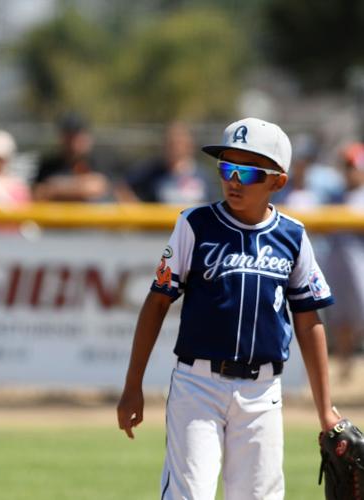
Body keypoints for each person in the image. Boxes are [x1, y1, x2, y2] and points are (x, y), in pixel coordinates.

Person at [117, 117, 340, 499]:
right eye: (226, 168)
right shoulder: (196, 224)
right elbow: (156, 304)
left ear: (278, 181)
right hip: (197, 386)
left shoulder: (292, 236)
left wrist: (326, 409)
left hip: (263, 391)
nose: (234, 180)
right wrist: (132, 385)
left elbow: (308, 320)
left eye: (248, 171)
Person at [322, 142, 364, 379]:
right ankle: (345, 366)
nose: (350, 171)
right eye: (347, 166)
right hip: (338, 257)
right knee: (340, 317)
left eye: (353, 166)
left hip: (360, 258)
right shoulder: (335, 196)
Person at [119, 121, 216, 204]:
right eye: (171, 143)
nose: (175, 148)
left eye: (180, 143)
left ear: (190, 145)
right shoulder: (151, 171)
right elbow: (123, 187)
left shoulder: (203, 175)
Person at [32, 112, 113, 201]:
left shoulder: (100, 160)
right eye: (69, 137)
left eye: (77, 136)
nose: (73, 143)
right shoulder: (49, 165)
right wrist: (79, 187)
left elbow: (98, 186)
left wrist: (56, 187)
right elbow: (39, 193)